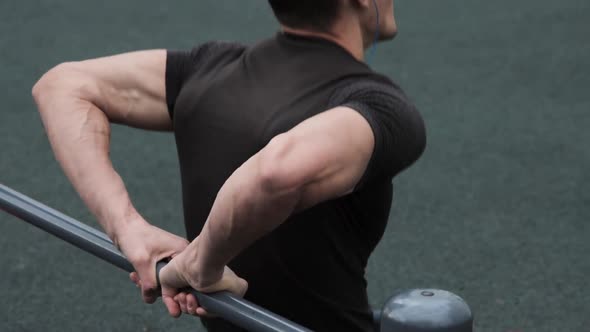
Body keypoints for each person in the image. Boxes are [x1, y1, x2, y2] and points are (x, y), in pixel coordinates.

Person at [32, 0, 426, 330]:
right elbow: (278, 172)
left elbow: (62, 85)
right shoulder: (379, 106)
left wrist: (127, 228)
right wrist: (201, 264)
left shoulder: (210, 70)